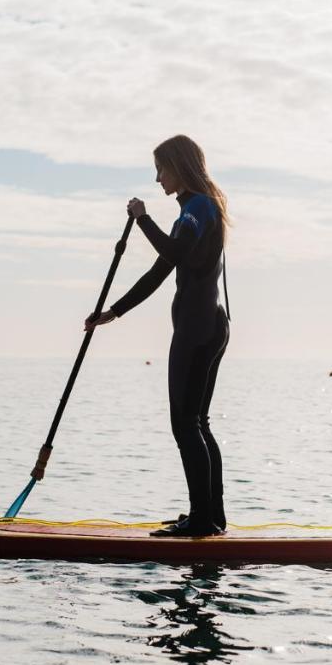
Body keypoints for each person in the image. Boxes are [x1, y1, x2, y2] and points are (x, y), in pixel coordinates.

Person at [85, 135, 230, 537]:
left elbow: (177, 256)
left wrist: (142, 218)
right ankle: (210, 516)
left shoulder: (198, 208)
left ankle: (203, 520)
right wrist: (114, 312)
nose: (156, 178)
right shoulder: (196, 211)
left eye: (161, 169)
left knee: (185, 425)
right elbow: (159, 272)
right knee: (197, 423)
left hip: (197, 330)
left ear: (179, 167)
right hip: (212, 327)